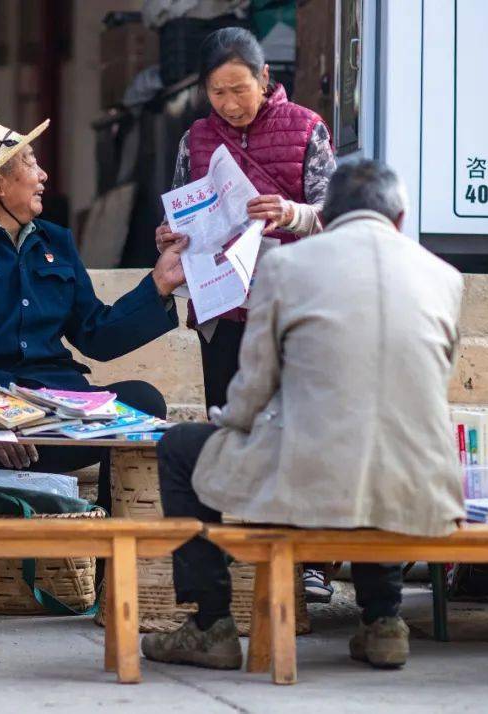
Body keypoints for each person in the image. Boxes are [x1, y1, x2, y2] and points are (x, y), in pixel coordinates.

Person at [141, 160, 466, 671]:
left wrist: (231, 420)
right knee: (374, 444)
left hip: (313, 477)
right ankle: (383, 621)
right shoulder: (445, 277)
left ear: (327, 215)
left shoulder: (286, 267)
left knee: (180, 448)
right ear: (399, 219)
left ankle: (210, 626)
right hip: (424, 480)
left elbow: (253, 385)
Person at [0, 120, 186, 509]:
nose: (43, 175)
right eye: (29, 163)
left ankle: (107, 562)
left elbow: (96, 334)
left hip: (58, 415)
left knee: (143, 401)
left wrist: (158, 285)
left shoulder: (56, 240)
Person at [156, 27, 338, 602]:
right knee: (230, 430)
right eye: (217, 94)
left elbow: (339, 217)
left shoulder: (307, 128)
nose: (230, 105)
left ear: (265, 79)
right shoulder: (196, 138)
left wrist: (292, 212)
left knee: (298, 432)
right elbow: (182, 209)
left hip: (291, 310)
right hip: (223, 307)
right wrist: (171, 236)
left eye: (240, 89)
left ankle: (309, 560)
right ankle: (236, 550)